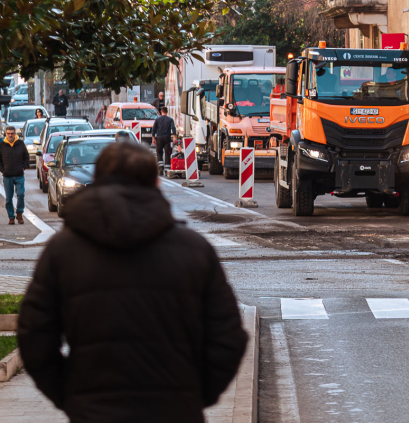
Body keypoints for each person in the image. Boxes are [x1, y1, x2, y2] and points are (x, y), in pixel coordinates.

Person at [18, 142, 246, 422]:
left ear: (97, 179)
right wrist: (196, 393)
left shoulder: (62, 251)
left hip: (93, 411)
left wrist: (70, 394)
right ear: (155, 183)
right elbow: (228, 337)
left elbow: (33, 335)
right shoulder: (194, 250)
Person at [0, 126, 28, 225]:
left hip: (19, 175)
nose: (10, 135)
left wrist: (23, 167)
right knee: (9, 198)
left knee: (21, 194)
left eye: (12, 133)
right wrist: (3, 170)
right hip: (7, 176)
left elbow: (26, 157)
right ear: (5, 133)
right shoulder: (1, 145)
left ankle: (19, 213)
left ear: (15, 134)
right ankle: (11, 217)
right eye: (8, 133)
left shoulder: (20, 144)